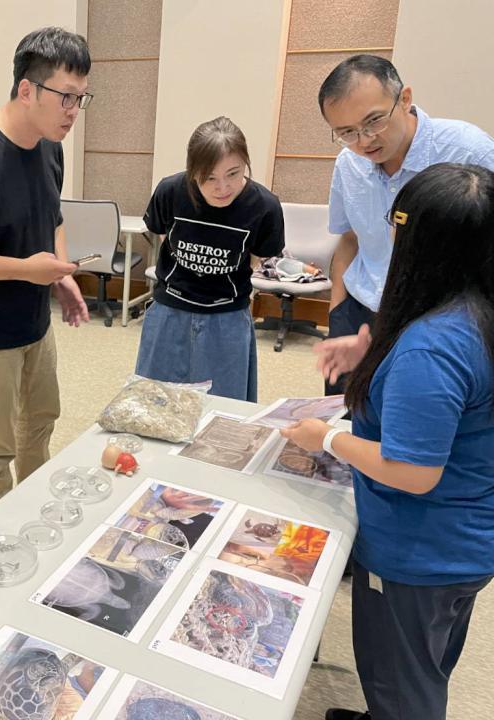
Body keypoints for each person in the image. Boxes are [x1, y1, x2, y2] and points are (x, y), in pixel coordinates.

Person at [281, 163, 494, 720]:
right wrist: (372, 351)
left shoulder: (434, 346)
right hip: (466, 538)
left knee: (400, 679)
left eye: (399, 226)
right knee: (429, 657)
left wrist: (326, 436)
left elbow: (413, 471)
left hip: (421, 550)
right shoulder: (472, 310)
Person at [0, 26, 92, 513]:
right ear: (27, 89)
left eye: (81, 98)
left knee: (40, 427)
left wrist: (60, 275)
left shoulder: (51, 145)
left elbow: (52, 217)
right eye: (66, 97)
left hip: (37, 326)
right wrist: (25, 270)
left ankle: (33, 519)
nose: (74, 112)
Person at [318, 54, 494, 395]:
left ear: (406, 99)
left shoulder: (467, 150)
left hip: (434, 323)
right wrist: (337, 312)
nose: (365, 140)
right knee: (345, 419)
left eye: (374, 121)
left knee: (411, 433)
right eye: (347, 132)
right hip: (360, 313)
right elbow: (349, 240)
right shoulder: (348, 165)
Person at [135, 116, 285, 401]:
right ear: (193, 171)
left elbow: (258, 257)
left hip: (227, 316)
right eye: (210, 177)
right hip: (169, 311)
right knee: (155, 403)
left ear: (246, 164)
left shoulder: (265, 206)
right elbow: (165, 237)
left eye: (233, 173)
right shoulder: (170, 191)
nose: (222, 187)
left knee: (223, 409)